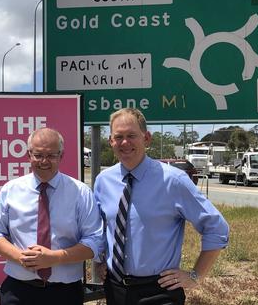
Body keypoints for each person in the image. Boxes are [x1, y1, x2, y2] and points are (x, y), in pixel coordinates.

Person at [94, 108, 229, 305]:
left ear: (146, 138)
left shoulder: (174, 181)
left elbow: (217, 228)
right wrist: (100, 262)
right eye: (119, 137)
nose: (125, 142)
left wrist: (195, 277)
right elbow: (98, 229)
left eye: (132, 135)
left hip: (159, 291)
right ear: (111, 141)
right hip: (115, 290)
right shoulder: (103, 181)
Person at [0, 127, 103, 305]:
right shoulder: (11, 190)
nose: (44, 161)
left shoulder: (80, 193)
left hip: (65, 294)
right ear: (28, 155)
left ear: (61, 156)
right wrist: (21, 257)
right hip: (18, 292)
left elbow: (95, 241)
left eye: (51, 156)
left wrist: (55, 257)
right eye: (38, 155)